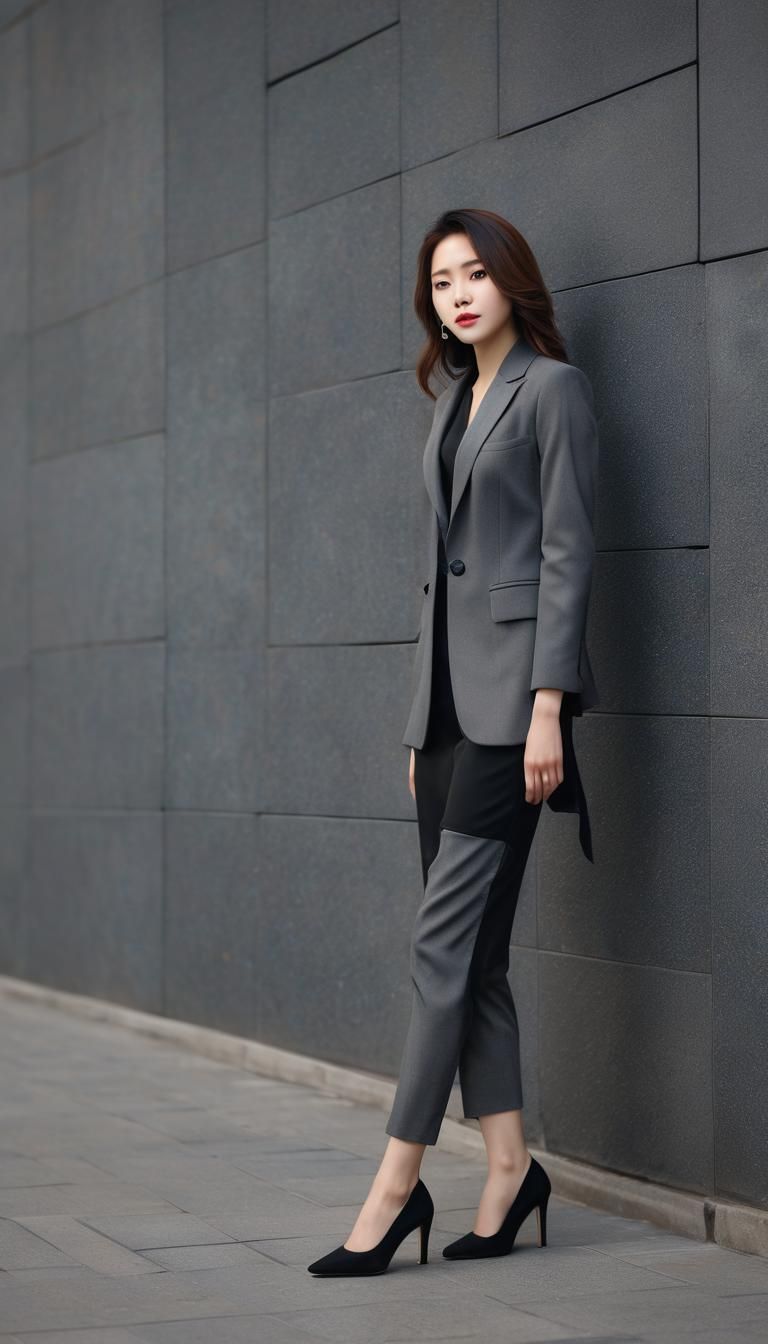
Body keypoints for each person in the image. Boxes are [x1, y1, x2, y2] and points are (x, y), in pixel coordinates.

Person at [308, 208, 600, 1277]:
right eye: (441, 282)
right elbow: (444, 579)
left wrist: (547, 707)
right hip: (444, 720)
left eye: (477, 274)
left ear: (513, 282)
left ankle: (393, 1192)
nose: (460, 294)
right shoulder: (452, 404)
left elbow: (568, 555)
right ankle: (514, 1170)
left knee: (440, 948)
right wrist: (416, 721)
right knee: (472, 959)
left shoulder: (551, 392)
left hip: (513, 717)